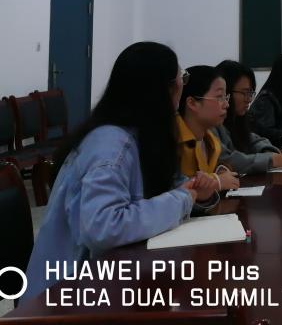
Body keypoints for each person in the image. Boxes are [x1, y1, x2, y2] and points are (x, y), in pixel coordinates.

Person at [23, 43, 218, 301]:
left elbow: (163, 188)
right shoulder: (111, 145)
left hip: (106, 281)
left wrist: (195, 192)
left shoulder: (141, 135)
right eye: (181, 78)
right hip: (64, 296)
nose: (183, 85)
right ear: (162, 90)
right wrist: (182, 199)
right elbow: (103, 227)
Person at [216, 59, 282, 174]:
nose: (249, 99)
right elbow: (228, 160)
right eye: (244, 93)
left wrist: (268, 152)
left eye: (250, 93)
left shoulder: (238, 119)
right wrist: (273, 160)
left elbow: (252, 139)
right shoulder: (212, 124)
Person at [177, 65, 240, 192]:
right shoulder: (172, 139)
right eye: (219, 97)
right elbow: (173, 189)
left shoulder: (210, 140)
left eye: (226, 97)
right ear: (192, 103)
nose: (226, 104)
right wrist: (217, 181)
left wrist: (220, 169)